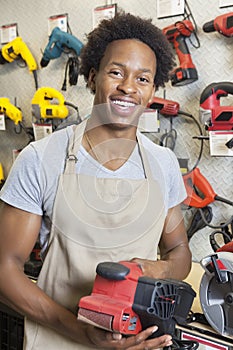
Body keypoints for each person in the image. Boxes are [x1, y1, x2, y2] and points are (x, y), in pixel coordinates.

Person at [0, 12, 192, 350]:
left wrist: (155, 269)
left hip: (139, 342)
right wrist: (79, 331)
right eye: (116, 72)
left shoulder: (162, 164)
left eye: (143, 79)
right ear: (93, 77)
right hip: (58, 340)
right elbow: (5, 269)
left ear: (152, 91)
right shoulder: (42, 158)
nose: (128, 87)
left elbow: (179, 251)